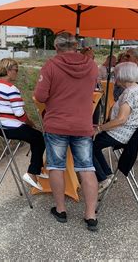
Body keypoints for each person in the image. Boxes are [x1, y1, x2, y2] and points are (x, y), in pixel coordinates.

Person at [34, 32, 99, 232]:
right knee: (87, 168)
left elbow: (40, 95)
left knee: (56, 166)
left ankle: (61, 210)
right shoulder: (91, 65)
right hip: (82, 124)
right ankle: (90, 215)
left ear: (56, 47)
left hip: (57, 123)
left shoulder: (51, 66)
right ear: (76, 46)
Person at [0, 59, 47, 190]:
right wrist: (32, 124)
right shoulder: (11, 89)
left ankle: (38, 168)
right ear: (8, 70)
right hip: (10, 128)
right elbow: (20, 114)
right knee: (39, 137)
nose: (17, 73)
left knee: (36, 136)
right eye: (16, 70)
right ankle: (32, 173)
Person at [93, 62, 138, 192]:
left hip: (121, 133)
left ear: (123, 76)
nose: (114, 77)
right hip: (128, 133)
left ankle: (103, 178)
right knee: (93, 145)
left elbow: (121, 119)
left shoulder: (130, 94)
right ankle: (107, 174)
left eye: (115, 74)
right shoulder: (137, 89)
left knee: (86, 145)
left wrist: (99, 128)